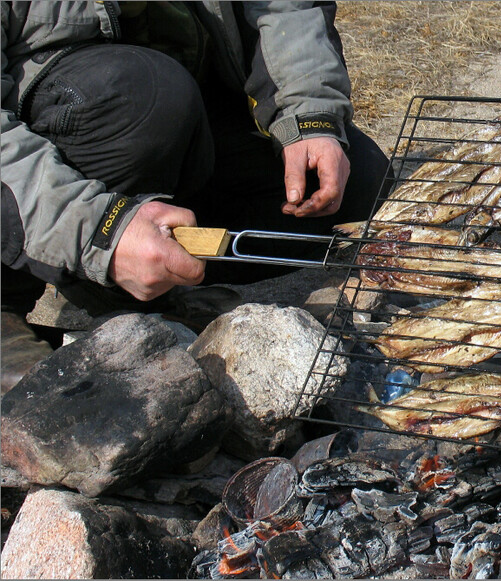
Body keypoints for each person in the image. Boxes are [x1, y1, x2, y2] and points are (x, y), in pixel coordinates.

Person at [0, 1, 391, 391]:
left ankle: (151, 275)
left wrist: (309, 114)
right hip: (66, 135)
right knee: (146, 93)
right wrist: (96, 232)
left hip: (182, 114)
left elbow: (284, 8)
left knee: (360, 184)